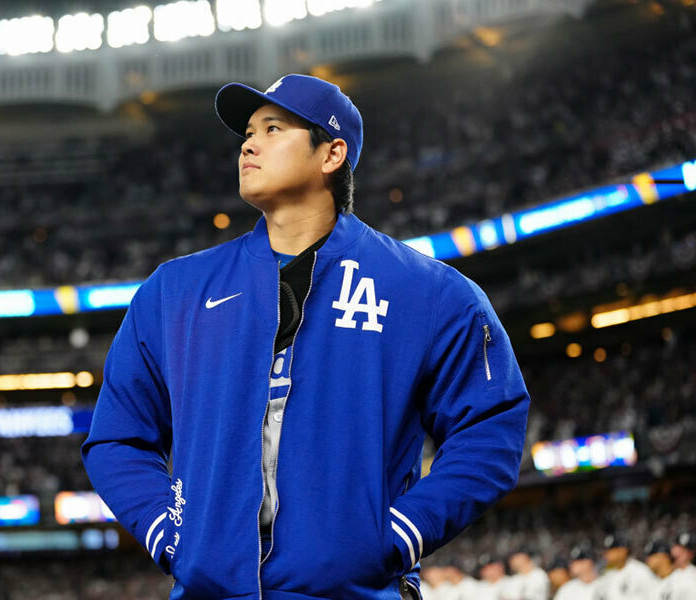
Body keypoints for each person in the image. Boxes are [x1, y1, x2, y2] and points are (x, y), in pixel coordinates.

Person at [81, 73, 530, 599]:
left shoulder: (427, 291)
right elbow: (117, 436)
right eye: (248, 131)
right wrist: (172, 535)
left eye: (274, 128)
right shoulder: (173, 291)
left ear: (332, 154)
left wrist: (398, 536)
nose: (249, 143)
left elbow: (489, 427)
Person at [596, 533, 655, 600]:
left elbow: (653, 595)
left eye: (612, 550)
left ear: (623, 550)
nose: (607, 554)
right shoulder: (608, 575)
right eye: (607, 551)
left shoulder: (640, 571)